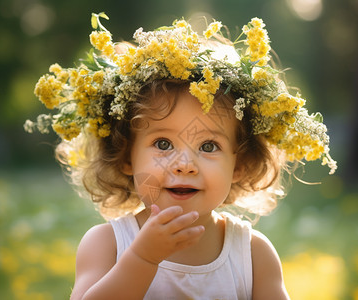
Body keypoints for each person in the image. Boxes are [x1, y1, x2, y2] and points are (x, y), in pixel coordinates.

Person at [25, 12, 337, 300]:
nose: (185, 165)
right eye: (162, 144)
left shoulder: (253, 256)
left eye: (209, 146)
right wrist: (143, 258)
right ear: (126, 157)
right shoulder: (107, 245)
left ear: (239, 165)